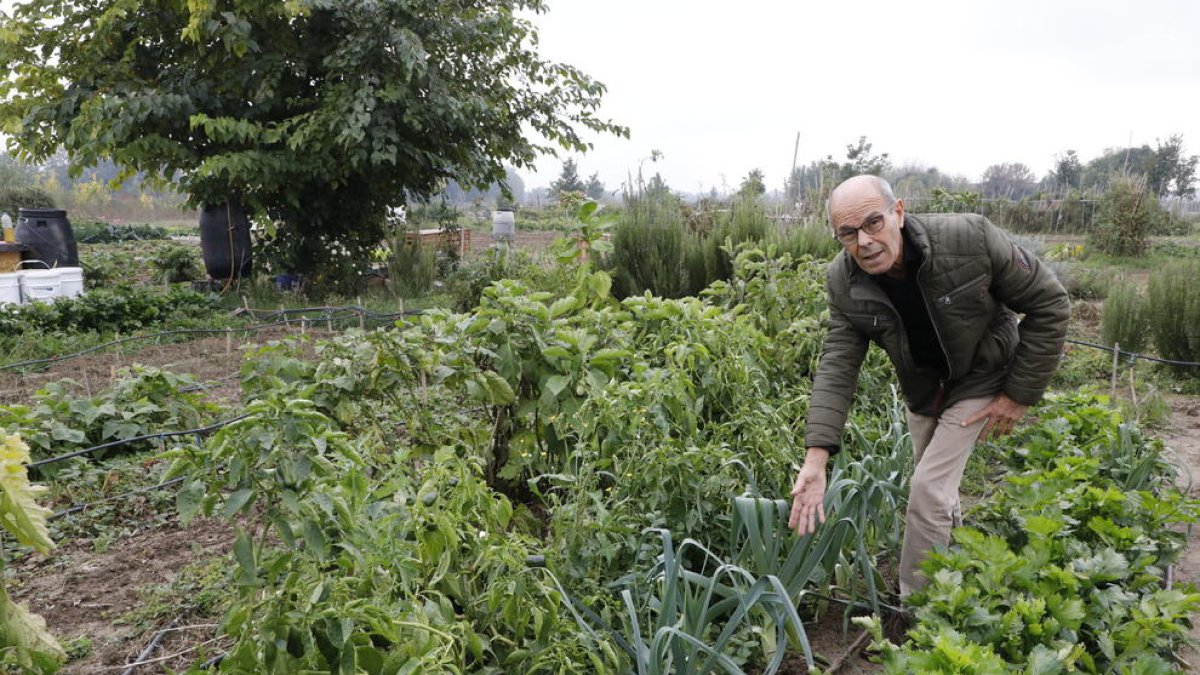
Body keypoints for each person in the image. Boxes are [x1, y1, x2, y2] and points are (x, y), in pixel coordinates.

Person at [788, 175, 1070, 599]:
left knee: (928, 489)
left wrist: (1018, 395)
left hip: (982, 372)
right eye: (848, 233)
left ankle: (919, 607)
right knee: (935, 490)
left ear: (898, 212)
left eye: (872, 223)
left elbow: (1049, 302)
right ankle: (957, 569)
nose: (863, 241)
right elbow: (837, 365)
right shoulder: (844, 282)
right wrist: (816, 459)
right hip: (923, 387)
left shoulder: (969, 239)